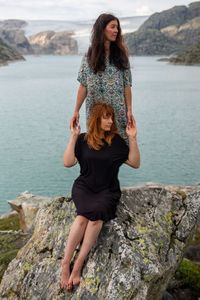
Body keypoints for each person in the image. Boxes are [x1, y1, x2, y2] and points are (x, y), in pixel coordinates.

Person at [60, 102, 140, 291]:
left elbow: (135, 163)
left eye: (111, 117)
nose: (111, 121)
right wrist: (72, 137)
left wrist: (133, 138)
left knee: (95, 219)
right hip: (84, 187)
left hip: (107, 190)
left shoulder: (117, 142)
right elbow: (67, 162)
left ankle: (78, 265)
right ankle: (65, 264)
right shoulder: (83, 139)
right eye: (106, 117)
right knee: (81, 219)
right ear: (96, 119)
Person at [70, 13, 134, 142]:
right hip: (95, 113)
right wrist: (76, 111)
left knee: (118, 149)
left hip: (117, 113)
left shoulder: (121, 57)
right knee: (96, 146)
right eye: (113, 27)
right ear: (102, 29)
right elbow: (83, 86)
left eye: (117, 28)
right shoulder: (88, 58)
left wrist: (129, 110)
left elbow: (127, 85)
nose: (116, 30)